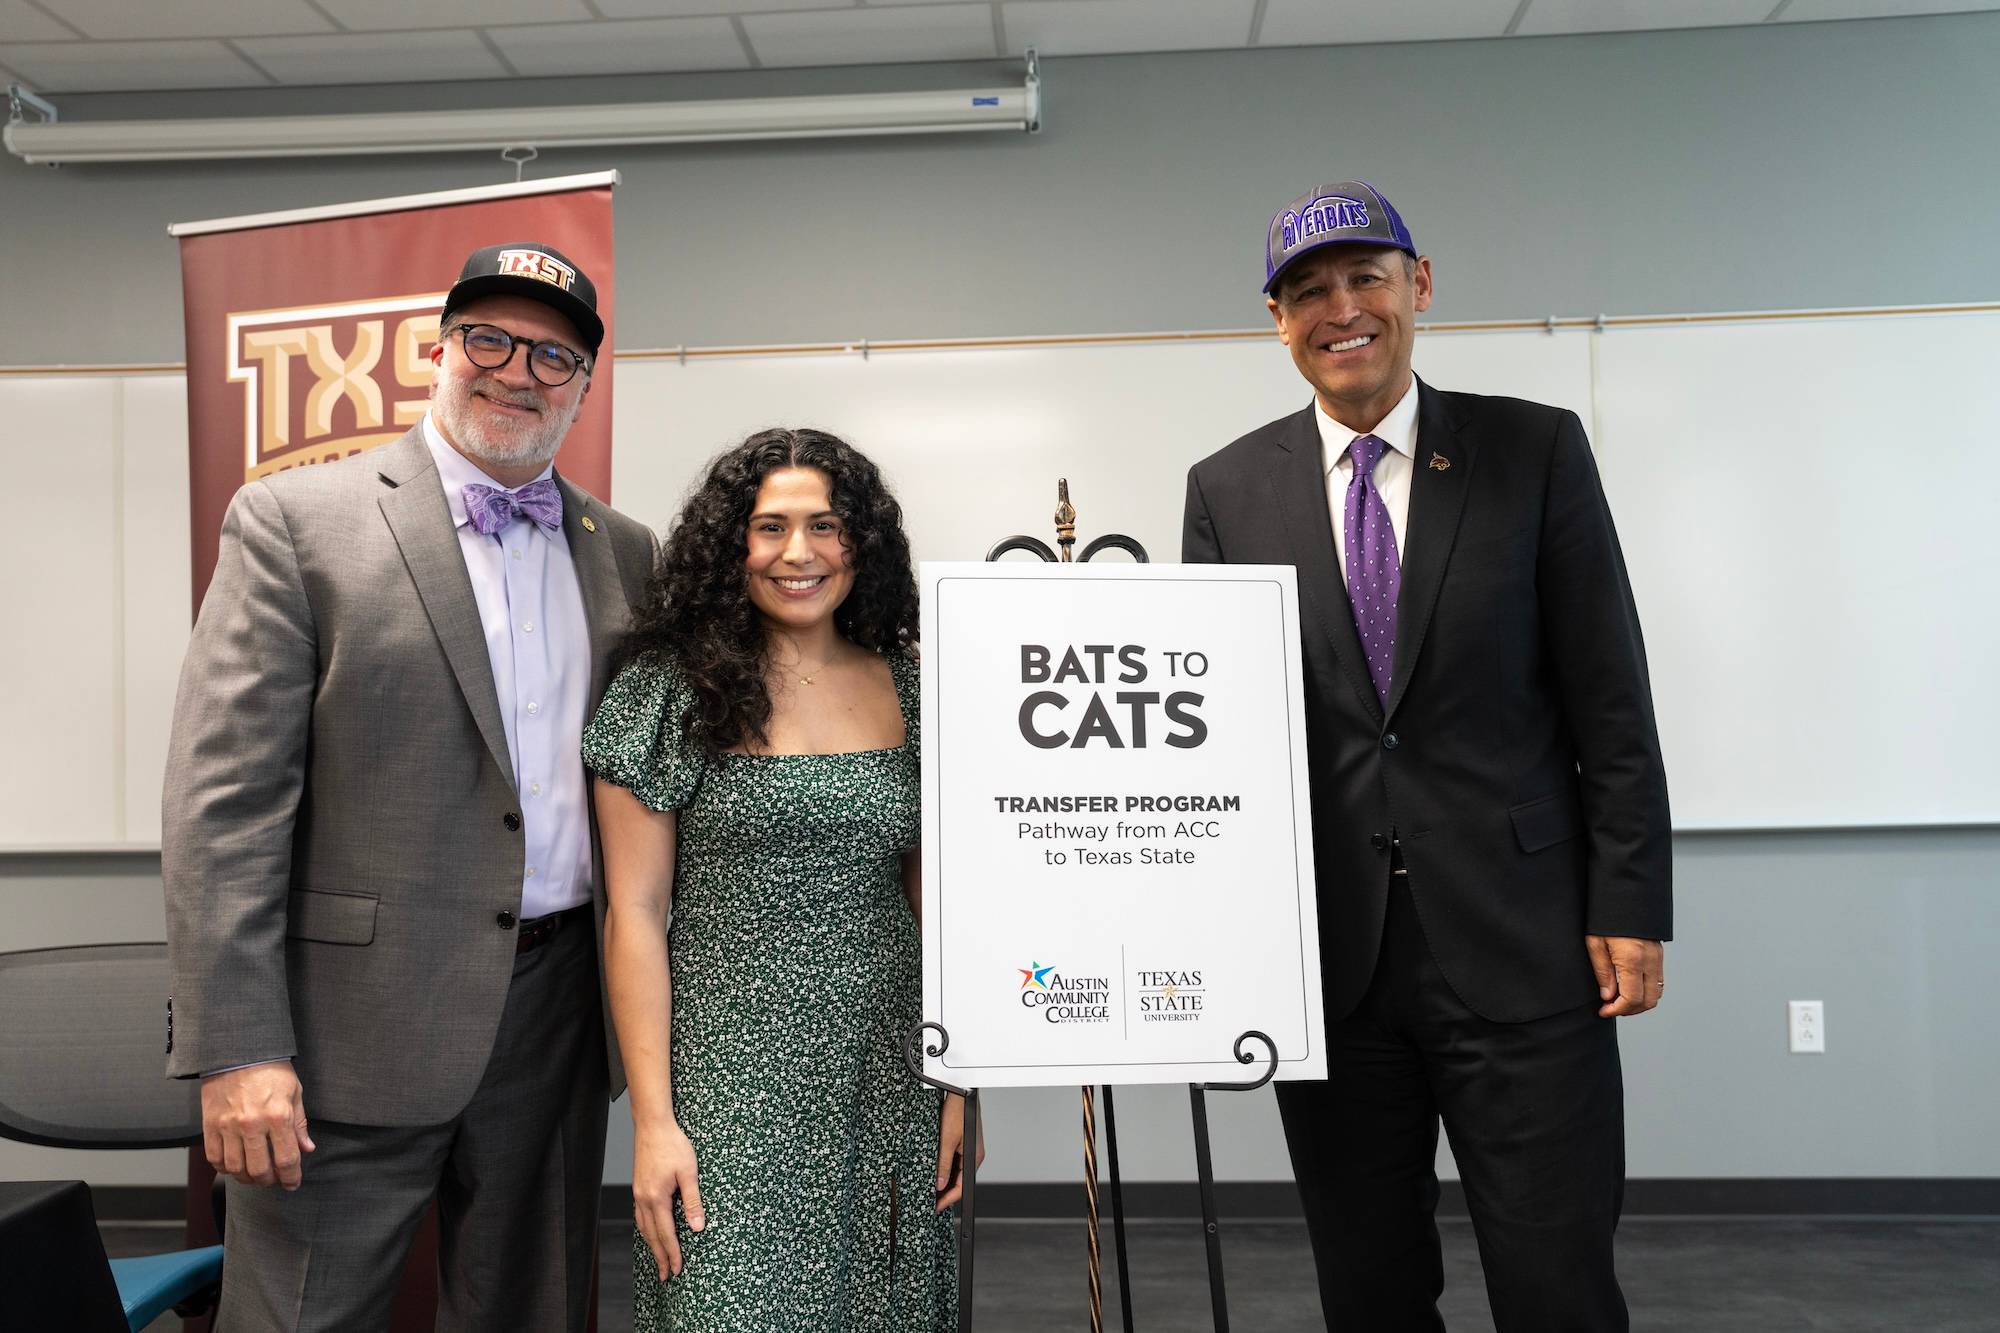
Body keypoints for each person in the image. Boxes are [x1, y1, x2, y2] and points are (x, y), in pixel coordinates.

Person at [1182, 181, 1673, 1331]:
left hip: (1526, 943)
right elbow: (1224, 742)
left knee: (1554, 1281)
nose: (1339, 309)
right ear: (1275, 319)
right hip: (1330, 963)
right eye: (1306, 291)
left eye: (1364, 278)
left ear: (1419, 286)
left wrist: (1632, 900)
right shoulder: (1226, 489)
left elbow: (1609, 694)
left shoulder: (1531, 449)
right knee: (1369, 1289)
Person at [162, 242, 658, 1330]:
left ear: (580, 388)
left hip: (555, 1018)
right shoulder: (298, 524)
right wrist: (239, 1045)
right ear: (436, 350)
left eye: (552, 356)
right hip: (345, 1032)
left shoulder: (624, 551)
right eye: (489, 339)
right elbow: (224, 805)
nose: (516, 372)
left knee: (532, 1311)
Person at [583, 428, 972, 1332]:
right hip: (728, 1088)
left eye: (826, 525)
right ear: (732, 548)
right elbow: (633, 915)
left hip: (890, 1068)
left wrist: (959, 1081)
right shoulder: (667, 693)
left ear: (860, 544)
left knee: (889, 1307)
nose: (799, 553)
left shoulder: (914, 687)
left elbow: (939, 901)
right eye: (770, 528)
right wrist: (652, 1123)